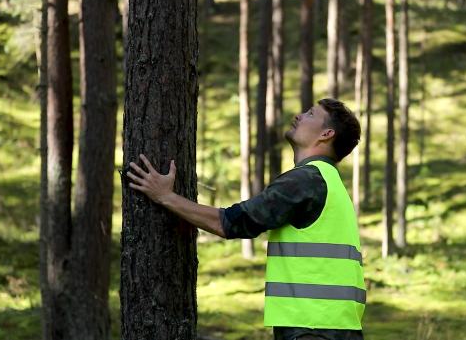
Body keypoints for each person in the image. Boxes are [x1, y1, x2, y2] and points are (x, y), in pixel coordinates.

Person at [127, 98, 366, 340]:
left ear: (326, 134)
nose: (299, 116)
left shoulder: (306, 180)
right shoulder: (332, 184)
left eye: (310, 114)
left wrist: (165, 196)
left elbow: (231, 222)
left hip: (312, 329)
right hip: (339, 327)